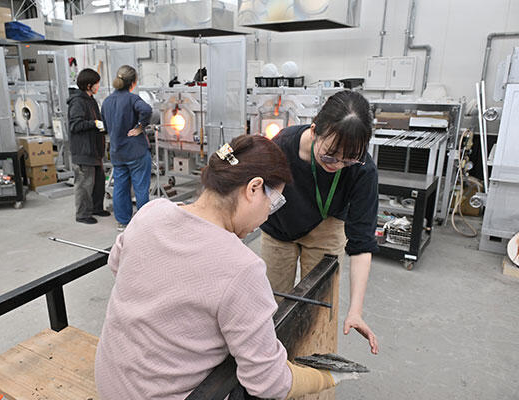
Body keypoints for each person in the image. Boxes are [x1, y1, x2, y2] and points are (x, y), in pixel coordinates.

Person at [95, 135, 359, 400]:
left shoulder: (152, 211)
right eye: (274, 203)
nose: (268, 215)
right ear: (254, 188)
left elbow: (116, 264)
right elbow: (269, 381)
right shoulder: (242, 267)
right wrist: (327, 377)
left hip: (111, 384)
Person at [261, 90, 380, 355]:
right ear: (314, 130)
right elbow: (256, 200)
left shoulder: (363, 170)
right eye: (329, 156)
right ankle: (272, 364)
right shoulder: (283, 145)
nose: (337, 165)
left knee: (317, 309)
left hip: (327, 225)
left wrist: (356, 311)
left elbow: (361, 244)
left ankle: (310, 367)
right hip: (280, 224)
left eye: (348, 159)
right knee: (272, 305)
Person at [101, 65, 152, 231]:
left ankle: (123, 222)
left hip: (117, 152)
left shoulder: (107, 102)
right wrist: (140, 127)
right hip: (136, 152)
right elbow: (147, 110)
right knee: (140, 187)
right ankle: (143, 223)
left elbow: (106, 126)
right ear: (133, 82)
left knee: (120, 187)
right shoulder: (133, 99)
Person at [68, 68, 110, 225]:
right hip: (84, 151)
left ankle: (96, 208)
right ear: (88, 85)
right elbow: (75, 125)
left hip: (95, 150)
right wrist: (94, 123)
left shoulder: (91, 100)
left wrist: (102, 126)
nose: (98, 86)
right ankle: (82, 214)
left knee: (98, 182)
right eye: (96, 84)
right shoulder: (78, 102)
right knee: (84, 184)